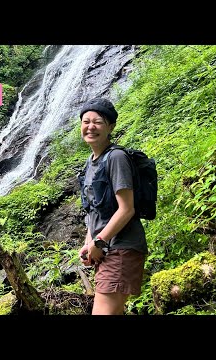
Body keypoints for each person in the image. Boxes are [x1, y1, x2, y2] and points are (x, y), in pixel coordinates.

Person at [77, 98, 147, 315]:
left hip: (122, 248)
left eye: (98, 122)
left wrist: (100, 240)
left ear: (111, 127)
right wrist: (89, 243)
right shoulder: (91, 162)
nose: (90, 127)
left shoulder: (116, 158)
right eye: (86, 121)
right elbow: (95, 210)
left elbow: (127, 208)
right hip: (106, 249)